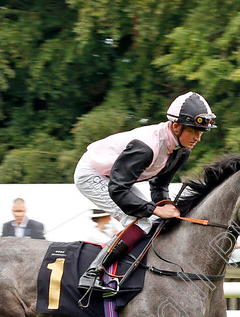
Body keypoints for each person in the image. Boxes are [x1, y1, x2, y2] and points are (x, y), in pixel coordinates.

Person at [74, 92, 217, 291]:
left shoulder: (182, 150)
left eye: (201, 132)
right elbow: (118, 190)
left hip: (116, 178)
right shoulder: (146, 147)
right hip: (93, 174)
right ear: (176, 126)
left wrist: (166, 204)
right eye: (194, 130)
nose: (198, 138)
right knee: (141, 221)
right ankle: (92, 274)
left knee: (153, 221)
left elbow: (159, 186)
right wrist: (155, 209)